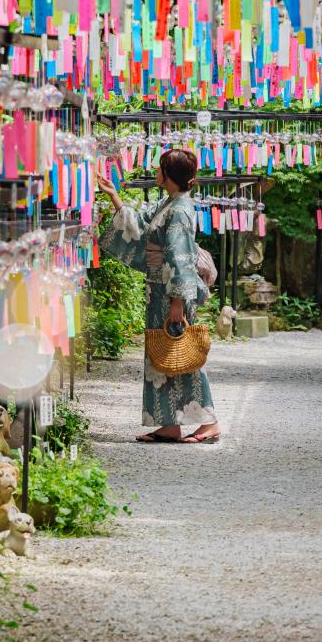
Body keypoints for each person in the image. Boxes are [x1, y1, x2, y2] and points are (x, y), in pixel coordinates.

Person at [95, 148, 221, 444]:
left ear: (169, 174)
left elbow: (180, 257)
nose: (156, 172)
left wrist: (178, 300)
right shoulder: (171, 203)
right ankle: (168, 424)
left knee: (184, 354)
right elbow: (139, 224)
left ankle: (209, 422)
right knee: (161, 354)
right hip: (160, 287)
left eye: (160, 168)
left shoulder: (179, 209)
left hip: (171, 290)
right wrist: (114, 196)